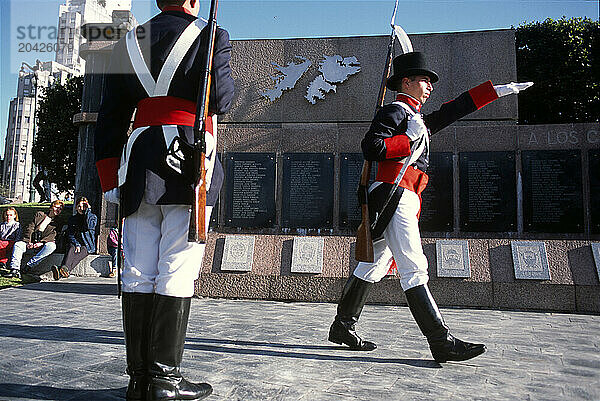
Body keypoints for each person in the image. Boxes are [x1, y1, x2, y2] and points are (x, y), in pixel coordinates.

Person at [328, 51, 532, 363]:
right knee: (414, 266)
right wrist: (406, 141)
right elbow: (371, 146)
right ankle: (441, 340)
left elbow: (451, 111)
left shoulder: (415, 118)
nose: (430, 86)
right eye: (424, 80)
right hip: (394, 193)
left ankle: (343, 325)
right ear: (406, 82)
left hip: (402, 194)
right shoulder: (394, 112)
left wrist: (496, 91)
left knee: (374, 264)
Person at [94, 0, 234, 399]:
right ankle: (165, 381)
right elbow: (221, 99)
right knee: (178, 265)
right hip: (190, 157)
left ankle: (139, 381)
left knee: (137, 269)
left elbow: (110, 118)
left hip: (139, 162)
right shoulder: (211, 35)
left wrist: (109, 179)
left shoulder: (127, 42)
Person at [5, 200, 64, 278]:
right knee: (18, 244)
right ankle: (15, 269)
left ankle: (28, 266)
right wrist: (28, 241)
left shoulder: (58, 222)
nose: (58, 210)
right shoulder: (40, 215)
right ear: (51, 207)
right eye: (56, 207)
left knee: (52, 246)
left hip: (43, 244)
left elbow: (53, 235)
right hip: (31, 242)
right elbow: (30, 228)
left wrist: (42, 242)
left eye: (60, 209)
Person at [51, 197, 97, 280]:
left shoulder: (92, 217)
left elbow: (89, 227)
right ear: (76, 207)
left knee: (80, 254)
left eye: (83, 206)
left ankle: (62, 269)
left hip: (87, 244)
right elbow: (70, 234)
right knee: (71, 249)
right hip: (74, 242)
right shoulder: (72, 219)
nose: (81, 208)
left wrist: (88, 211)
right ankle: (64, 270)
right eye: (79, 206)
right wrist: (76, 244)